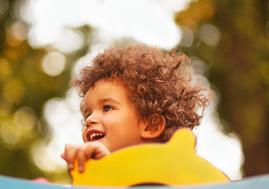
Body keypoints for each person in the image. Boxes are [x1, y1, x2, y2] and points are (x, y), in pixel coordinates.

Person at [61, 44, 211, 173]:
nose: (89, 119)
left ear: (151, 126)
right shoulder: (92, 182)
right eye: (87, 113)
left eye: (107, 108)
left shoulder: (178, 178)